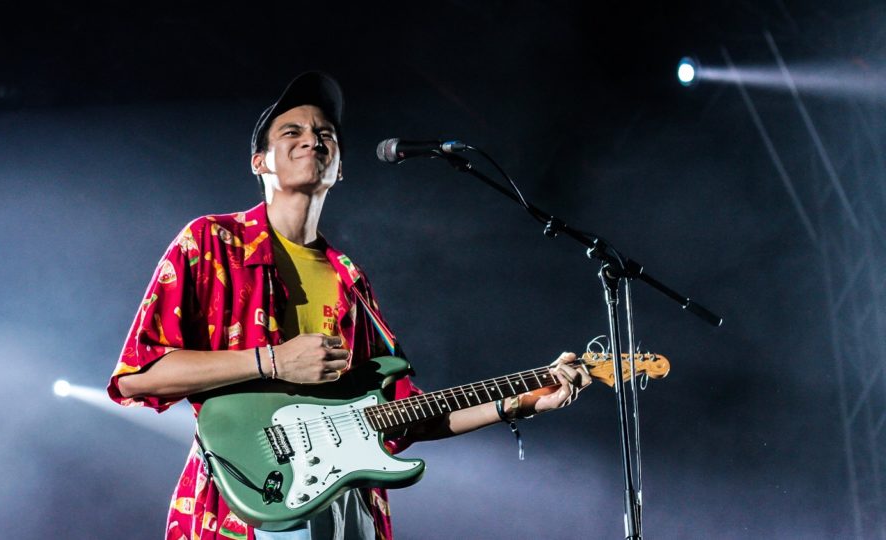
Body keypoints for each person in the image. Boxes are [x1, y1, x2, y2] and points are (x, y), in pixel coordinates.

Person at [107, 72, 592, 540]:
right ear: (260, 162)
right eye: (292, 131)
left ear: (339, 167)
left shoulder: (350, 279)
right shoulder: (211, 242)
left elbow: (401, 412)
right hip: (249, 500)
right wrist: (273, 360)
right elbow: (137, 376)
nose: (312, 139)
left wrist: (520, 401)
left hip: (345, 508)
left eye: (325, 134)